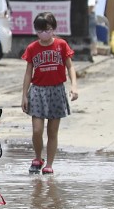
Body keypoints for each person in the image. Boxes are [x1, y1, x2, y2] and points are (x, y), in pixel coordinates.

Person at [20, 11, 78, 175]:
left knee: (52, 131)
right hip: (38, 91)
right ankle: (38, 157)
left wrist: (74, 86)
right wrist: (24, 95)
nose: (44, 34)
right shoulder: (32, 48)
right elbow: (28, 72)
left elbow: (70, 66)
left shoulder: (61, 45)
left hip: (56, 90)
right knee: (37, 130)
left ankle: (49, 164)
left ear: (53, 29)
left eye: (47, 30)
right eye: (40, 31)